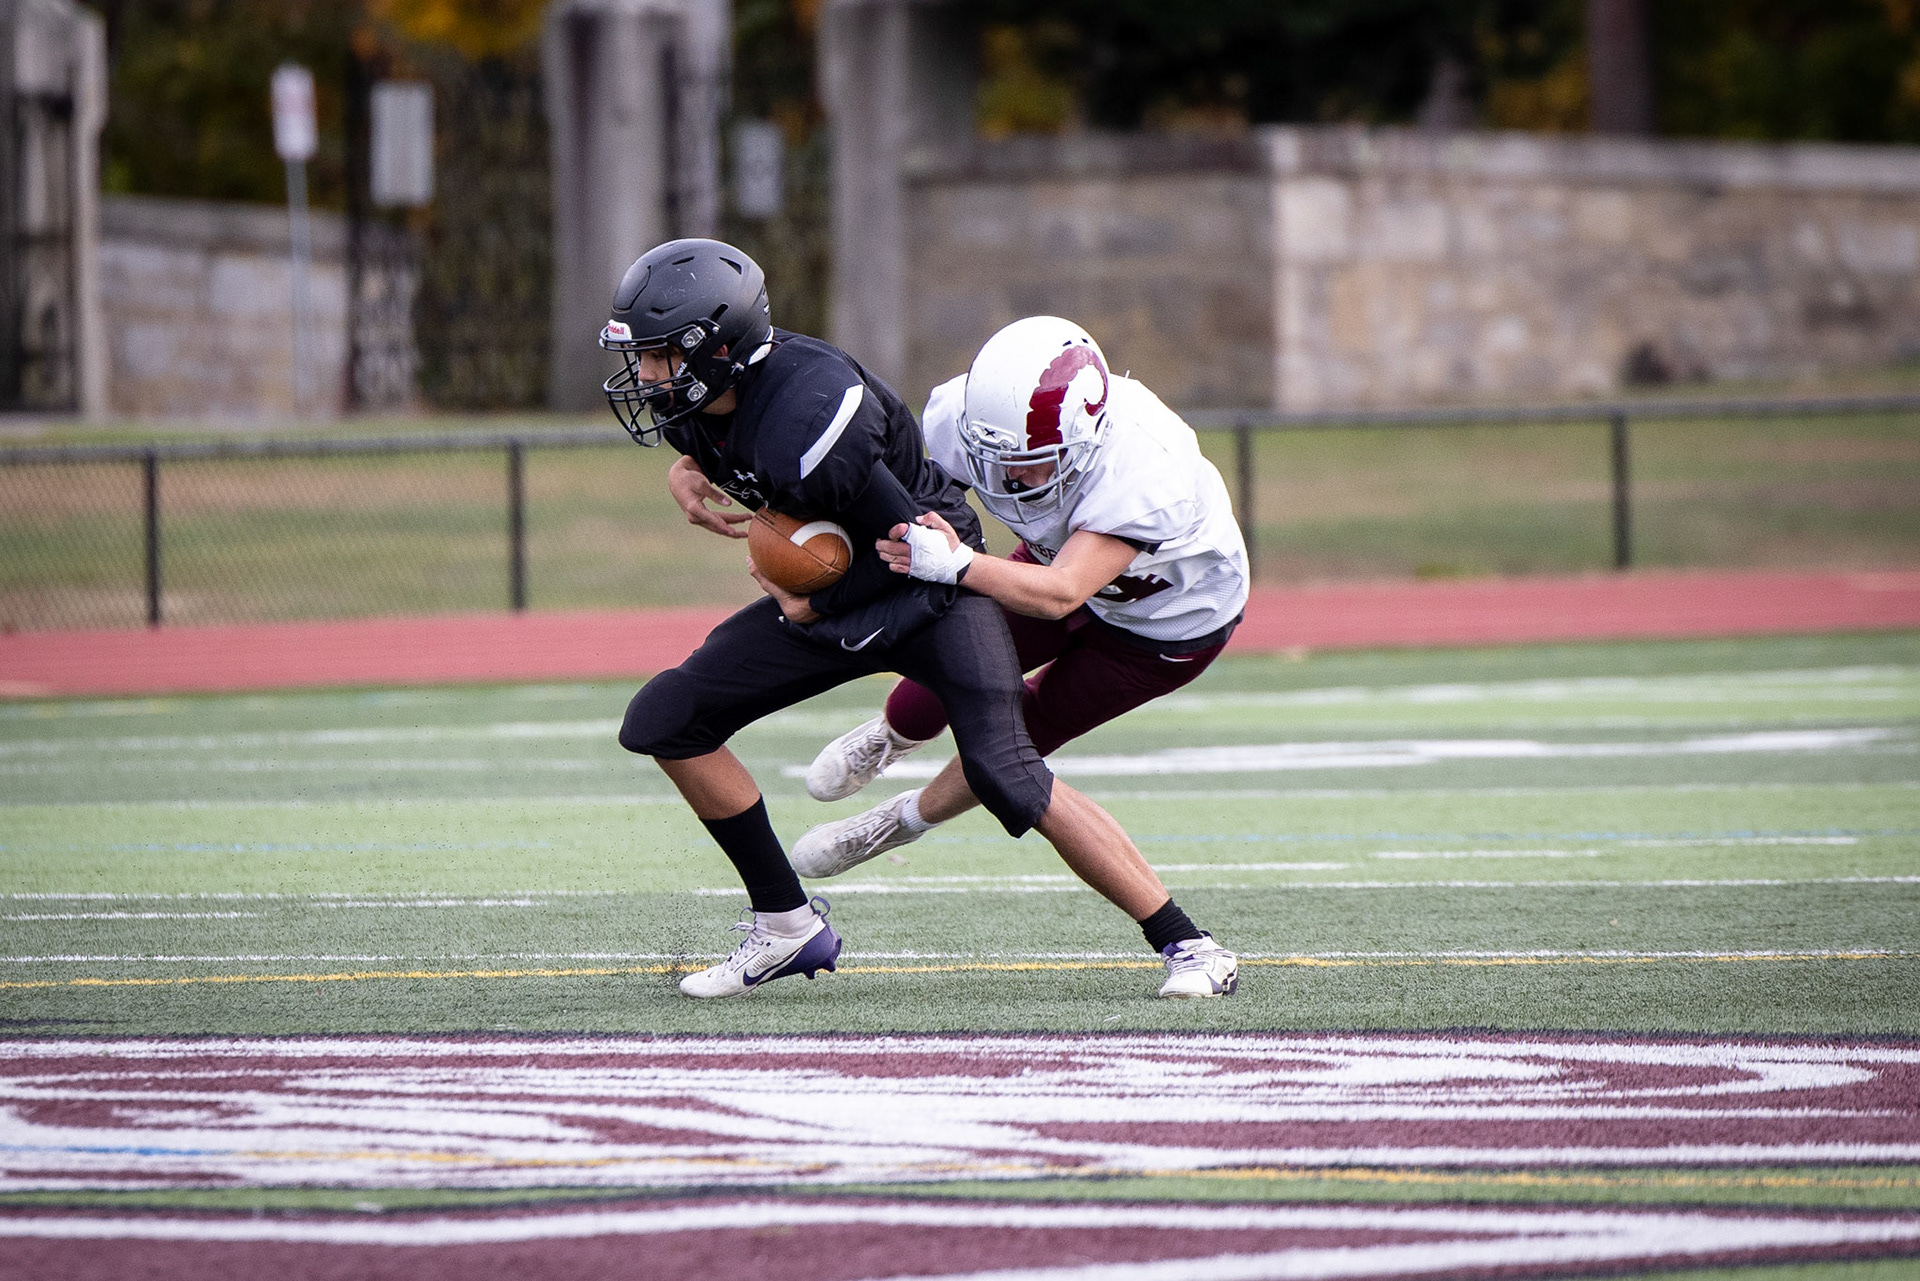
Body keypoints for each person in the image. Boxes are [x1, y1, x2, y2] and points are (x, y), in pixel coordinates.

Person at [600, 241, 1237, 1000]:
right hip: (875, 585)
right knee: (666, 717)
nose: (649, 376)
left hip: (981, 596)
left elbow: (992, 571)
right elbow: (760, 459)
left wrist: (815, 600)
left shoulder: (817, 420)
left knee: (1007, 770)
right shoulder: (719, 403)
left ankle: (1191, 944)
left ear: (720, 350)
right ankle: (786, 925)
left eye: (664, 356)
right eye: (647, 357)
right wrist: (691, 468)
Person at [793, 316, 1250, 953]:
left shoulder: (1147, 464)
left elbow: (1063, 591)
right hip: (1053, 563)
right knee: (944, 673)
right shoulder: (964, 416)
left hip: (1166, 623)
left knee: (1016, 741)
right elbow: (898, 493)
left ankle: (899, 821)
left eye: (1034, 464)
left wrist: (956, 563)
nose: (1012, 478)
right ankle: (890, 737)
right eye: (998, 461)